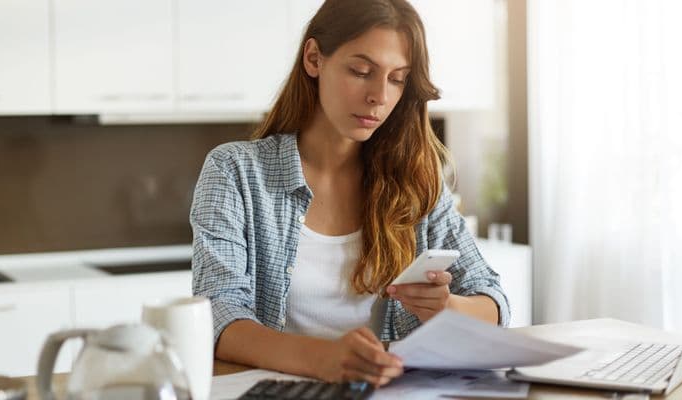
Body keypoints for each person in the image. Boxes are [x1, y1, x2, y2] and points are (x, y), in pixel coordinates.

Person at [189, 0, 510, 387]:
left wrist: (447, 307)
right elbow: (218, 316)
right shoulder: (236, 171)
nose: (379, 96)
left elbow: (493, 302)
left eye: (397, 79)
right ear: (314, 59)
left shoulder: (415, 179)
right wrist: (324, 359)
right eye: (361, 71)